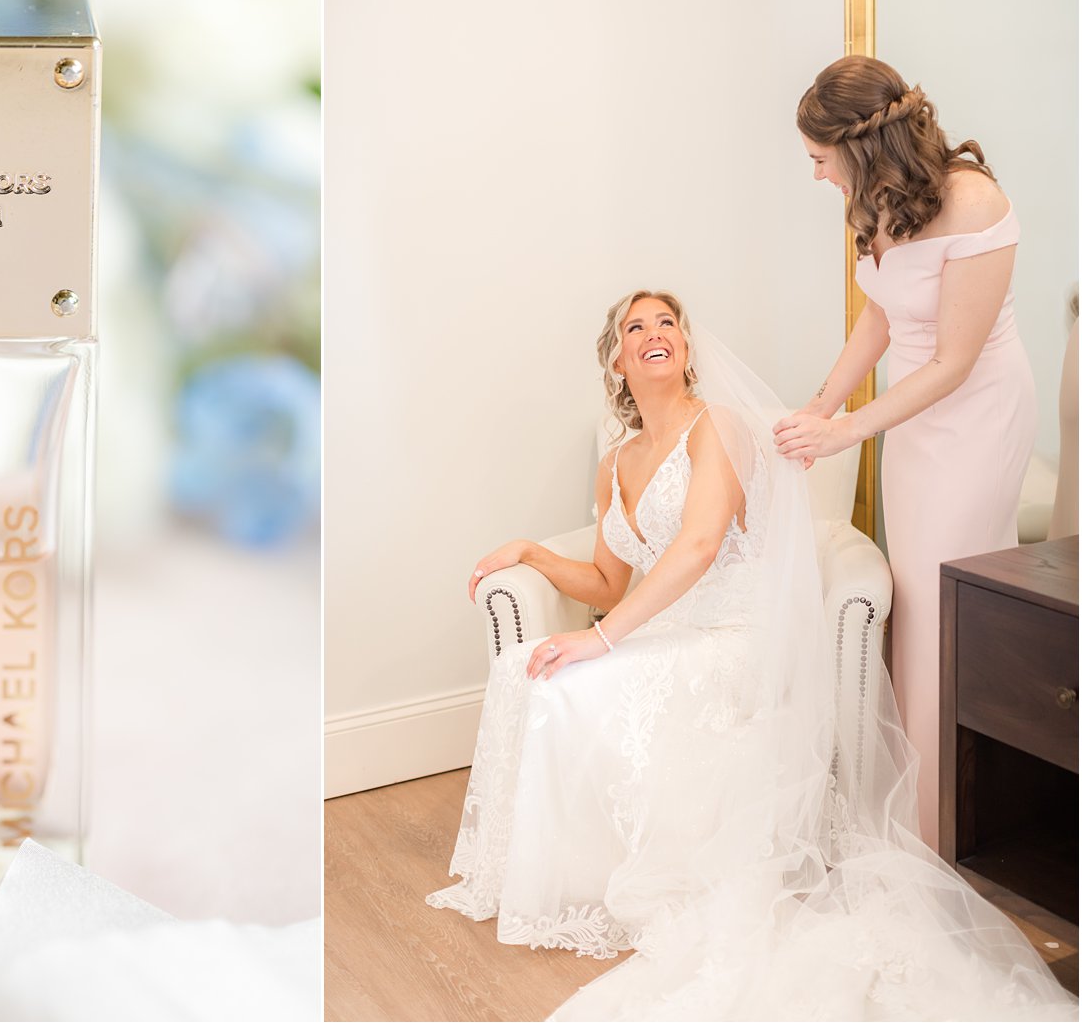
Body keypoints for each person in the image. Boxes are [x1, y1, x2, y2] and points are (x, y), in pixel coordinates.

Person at [429, 289, 1073, 1019]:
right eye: (635, 327)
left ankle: (600, 879)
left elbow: (701, 547)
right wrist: (532, 552)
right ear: (617, 360)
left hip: (736, 635)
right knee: (530, 669)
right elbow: (609, 579)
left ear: (687, 346)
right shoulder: (615, 462)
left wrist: (602, 637)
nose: (654, 333)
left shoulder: (720, 428)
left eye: (666, 321)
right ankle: (570, 877)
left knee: (573, 676)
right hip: (668, 628)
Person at [773, 56, 1034, 845]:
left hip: (977, 414)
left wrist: (850, 430)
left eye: (820, 159)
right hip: (912, 417)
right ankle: (927, 813)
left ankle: (964, 819)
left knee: (954, 602)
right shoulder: (871, 202)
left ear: (858, 145)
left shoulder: (974, 199)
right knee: (914, 602)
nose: (816, 175)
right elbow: (880, 318)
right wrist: (822, 403)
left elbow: (953, 360)